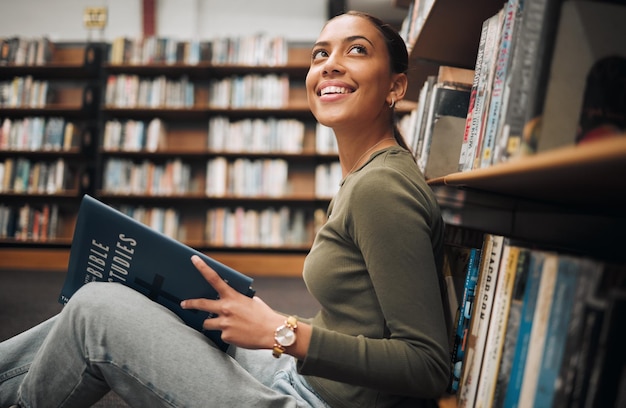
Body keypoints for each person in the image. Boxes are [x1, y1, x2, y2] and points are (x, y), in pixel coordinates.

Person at [0, 10, 450, 408]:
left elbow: (427, 365)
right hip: (305, 376)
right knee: (154, 298)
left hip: (313, 397)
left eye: (356, 50)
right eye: (319, 53)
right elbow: (361, 323)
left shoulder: (381, 188)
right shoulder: (365, 175)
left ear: (395, 86)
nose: (329, 63)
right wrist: (268, 323)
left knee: (98, 311)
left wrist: (281, 331)